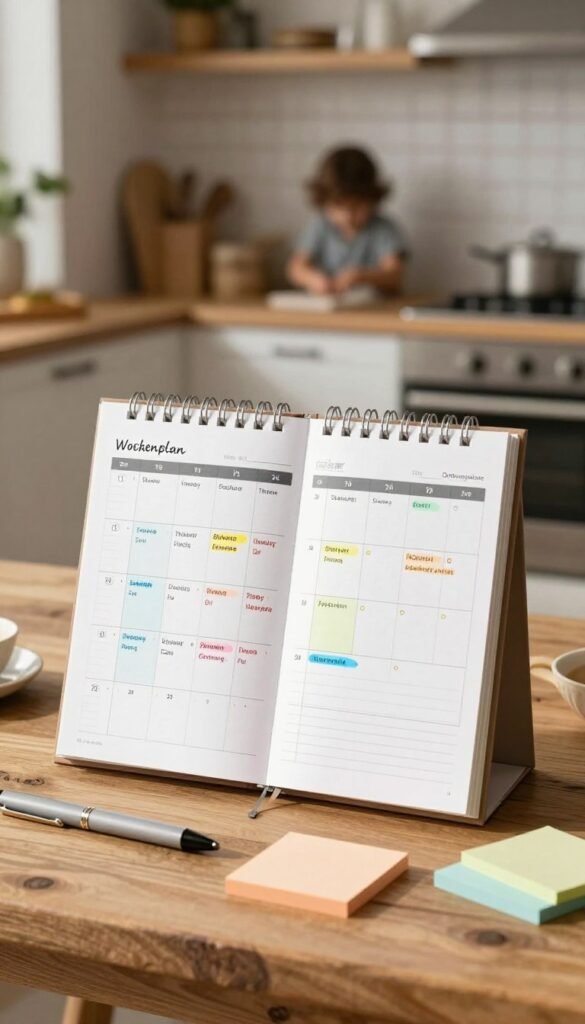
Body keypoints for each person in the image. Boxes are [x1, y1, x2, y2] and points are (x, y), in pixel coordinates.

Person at [287, 146, 407, 296]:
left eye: (356, 206)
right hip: (329, 311)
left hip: (374, 311)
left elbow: (395, 275)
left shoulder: (383, 229)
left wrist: (362, 277)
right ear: (324, 201)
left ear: (372, 199)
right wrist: (313, 279)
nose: (347, 216)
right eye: (338, 206)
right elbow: (296, 269)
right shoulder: (320, 225)